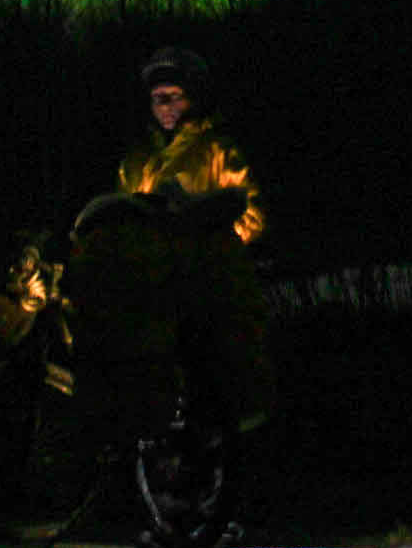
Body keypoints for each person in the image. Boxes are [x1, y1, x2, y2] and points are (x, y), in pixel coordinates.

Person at [60, 46, 274, 438]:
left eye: (176, 96)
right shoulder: (137, 161)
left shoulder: (218, 150)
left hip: (206, 282)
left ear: (193, 98)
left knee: (219, 352)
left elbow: (252, 214)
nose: (167, 106)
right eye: (159, 98)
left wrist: (204, 226)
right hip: (148, 285)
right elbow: (122, 216)